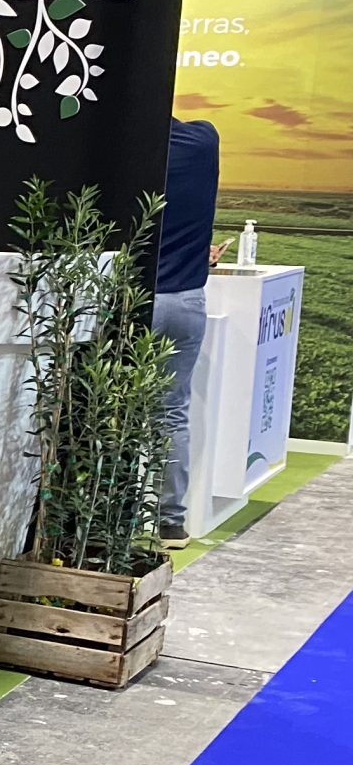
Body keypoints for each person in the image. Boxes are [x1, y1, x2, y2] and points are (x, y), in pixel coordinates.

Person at [155, 118, 221, 543]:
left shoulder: (129, 151)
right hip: (186, 301)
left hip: (135, 300)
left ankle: (109, 521)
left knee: (112, 410)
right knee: (171, 412)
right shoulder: (202, 140)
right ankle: (170, 521)